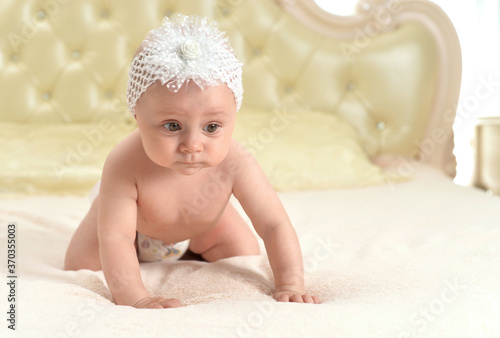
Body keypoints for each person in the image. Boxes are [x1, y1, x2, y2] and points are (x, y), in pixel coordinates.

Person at [64, 14, 320, 309]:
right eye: (172, 126)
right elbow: (117, 237)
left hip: (200, 227)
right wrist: (136, 297)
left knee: (244, 251)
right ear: (137, 115)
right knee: (80, 264)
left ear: (233, 115)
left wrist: (290, 283)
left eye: (212, 127)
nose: (193, 146)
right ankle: (112, 223)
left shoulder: (236, 161)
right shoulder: (124, 163)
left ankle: (193, 249)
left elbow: (274, 225)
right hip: (134, 229)